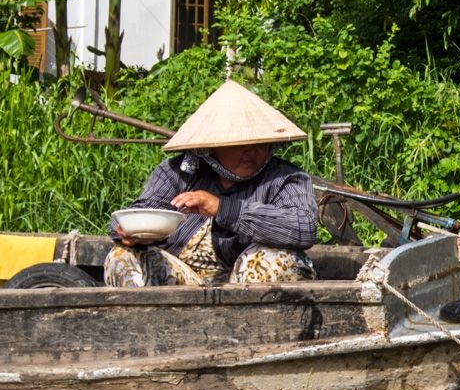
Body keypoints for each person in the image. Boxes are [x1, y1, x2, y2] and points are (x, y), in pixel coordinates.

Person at [104, 80, 318, 287]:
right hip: (182, 282)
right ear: (211, 147)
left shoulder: (285, 178)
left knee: (277, 261)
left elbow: (303, 227)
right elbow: (142, 210)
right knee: (121, 256)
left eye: (261, 143)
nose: (252, 150)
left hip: (246, 292)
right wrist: (125, 230)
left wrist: (222, 208)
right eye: (241, 144)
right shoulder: (178, 173)